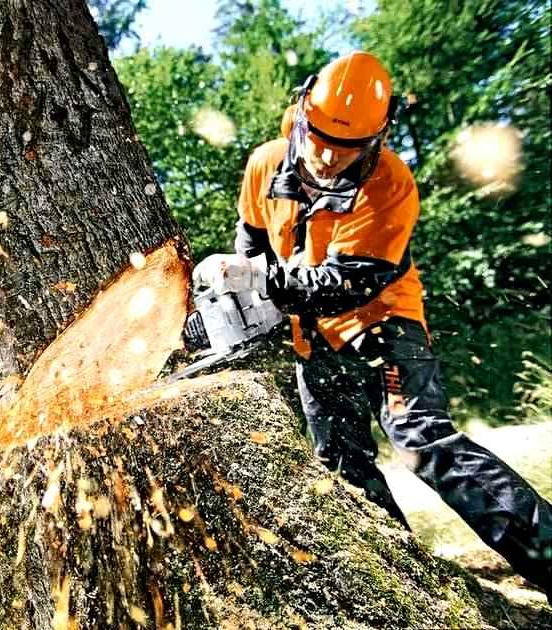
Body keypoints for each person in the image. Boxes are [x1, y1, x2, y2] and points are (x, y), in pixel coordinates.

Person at [187, 51, 551, 594]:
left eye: (345, 148)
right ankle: (414, 590)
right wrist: (236, 285)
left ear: (375, 139)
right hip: (310, 338)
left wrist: (261, 279)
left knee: (421, 441)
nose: (327, 158)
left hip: (384, 325)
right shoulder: (264, 165)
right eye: (318, 140)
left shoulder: (390, 184)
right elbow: (253, 245)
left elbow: (346, 285)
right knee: (342, 467)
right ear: (302, 115)